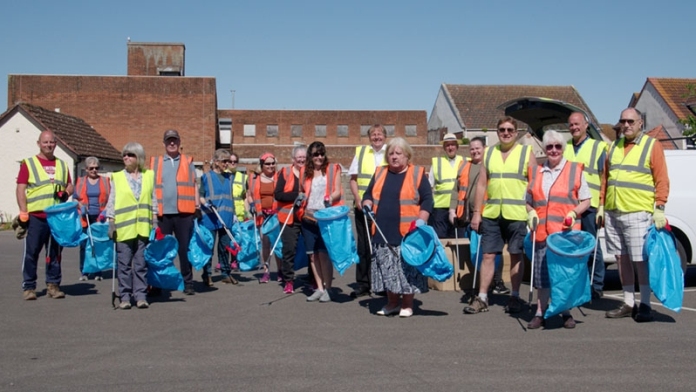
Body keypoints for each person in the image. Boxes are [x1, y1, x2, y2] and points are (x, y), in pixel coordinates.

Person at [464, 116, 536, 314]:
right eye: (502, 130)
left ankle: (514, 296)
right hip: (493, 213)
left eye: (510, 130)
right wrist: (477, 212)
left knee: (516, 255)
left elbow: (535, 183)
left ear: (516, 132)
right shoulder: (489, 153)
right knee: (488, 255)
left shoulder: (526, 152)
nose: (506, 133)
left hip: (517, 214)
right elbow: (481, 184)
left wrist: (532, 211)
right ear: (497, 132)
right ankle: (482, 297)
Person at [603, 108, 669, 323]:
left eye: (631, 121)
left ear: (641, 123)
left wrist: (659, 207)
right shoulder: (613, 146)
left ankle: (646, 305)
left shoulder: (652, 145)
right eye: (623, 120)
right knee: (621, 259)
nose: (626, 124)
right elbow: (606, 179)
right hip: (614, 211)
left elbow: (661, 179)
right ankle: (629, 302)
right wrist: (602, 206)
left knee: (640, 260)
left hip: (637, 211)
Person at [525, 131, 591, 329]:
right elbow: (528, 201)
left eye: (557, 146)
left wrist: (573, 213)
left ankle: (565, 312)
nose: (554, 150)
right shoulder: (536, 171)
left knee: (564, 276)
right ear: (544, 149)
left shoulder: (574, 170)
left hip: (564, 234)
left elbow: (586, 200)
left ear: (563, 148)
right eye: (549, 147)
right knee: (543, 276)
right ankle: (540, 312)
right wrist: (530, 213)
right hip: (542, 233)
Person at [361, 137, 434, 318]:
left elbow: (427, 200)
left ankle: (407, 304)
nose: (394, 157)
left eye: (398, 153)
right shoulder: (379, 173)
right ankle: (392, 302)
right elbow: (368, 194)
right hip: (382, 229)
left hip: (408, 231)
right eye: (391, 153)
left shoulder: (417, 173)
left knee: (406, 270)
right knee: (387, 269)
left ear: (407, 156)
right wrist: (367, 203)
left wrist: (421, 220)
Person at [16, 130, 74, 300]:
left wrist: (66, 192)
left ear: (56, 144)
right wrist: (23, 211)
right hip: (36, 216)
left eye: (52, 142)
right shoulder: (29, 163)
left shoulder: (62, 165)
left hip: (56, 218)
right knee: (32, 252)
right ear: (39, 143)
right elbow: (21, 188)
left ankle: (53, 285)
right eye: (45, 142)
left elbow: (70, 185)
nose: (49, 145)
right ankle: (29, 287)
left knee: (54, 253)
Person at [448, 136, 510, 295]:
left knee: (491, 250)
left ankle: (497, 282)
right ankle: (487, 282)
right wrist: (452, 210)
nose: (475, 151)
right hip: (468, 217)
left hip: (488, 216)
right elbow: (456, 190)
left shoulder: (491, 164)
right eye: (472, 149)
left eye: (478, 148)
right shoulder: (464, 166)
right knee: (476, 252)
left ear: (484, 148)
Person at [151, 129, 201, 296]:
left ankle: (188, 283)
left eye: (174, 140)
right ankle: (158, 284)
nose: (172, 143)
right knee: (162, 251)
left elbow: (194, 185)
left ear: (179, 143)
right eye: (168, 141)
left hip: (184, 213)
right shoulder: (155, 162)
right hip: (162, 214)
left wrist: (196, 206)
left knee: (184, 249)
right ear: (164, 143)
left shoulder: (188, 161)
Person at [564, 112, 608, 299]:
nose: (574, 127)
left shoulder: (598, 147)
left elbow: (605, 178)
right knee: (572, 247)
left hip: (590, 204)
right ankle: (577, 285)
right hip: (570, 204)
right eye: (571, 125)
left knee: (592, 247)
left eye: (577, 124)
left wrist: (602, 207)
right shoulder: (564, 147)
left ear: (586, 125)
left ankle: (596, 285)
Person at [106, 143, 155, 309]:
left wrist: (154, 221)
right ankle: (125, 296)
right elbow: (112, 200)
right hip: (124, 227)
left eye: (130, 155)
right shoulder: (118, 176)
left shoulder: (149, 175)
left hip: (143, 227)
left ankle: (141, 296)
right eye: (124, 155)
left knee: (140, 264)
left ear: (139, 157)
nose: (126, 157)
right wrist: (110, 222)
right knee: (124, 264)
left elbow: (153, 199)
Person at [298, 142, 343, 302]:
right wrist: (300, 197)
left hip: (325, 218)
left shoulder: (332, 169)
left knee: (324, 255)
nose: (319, 157)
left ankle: (328, 288)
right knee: (312, 256)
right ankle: (319, 287)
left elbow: (338, 190)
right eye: (316, 154)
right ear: (310, 156)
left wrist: (330, 197)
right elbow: (302, 191)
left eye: (322, 154)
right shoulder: (304, 171)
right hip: (308, 217)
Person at [348, 124, 387, 298]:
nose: (376, 137)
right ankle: (364, 283)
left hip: (385, 207)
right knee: (364, 246)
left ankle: (384, 283)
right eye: (373, 134)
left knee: (383, 245)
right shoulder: (361, 152)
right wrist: (357, 199)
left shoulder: (391, 151)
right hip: (363, 207)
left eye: (379, 134)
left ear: (385, 137)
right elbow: (353, 179)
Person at [199, 149, 238, 285]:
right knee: (209, 247)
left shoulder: (229, 178)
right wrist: (206, 203)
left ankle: (225, 273)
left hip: (226, 218)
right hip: (210, 217)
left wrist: (234, 215)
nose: (227, 164)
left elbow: (230, 198)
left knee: (224, 247)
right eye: (224, 161)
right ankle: (207, 274)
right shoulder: (206, 177)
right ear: (216, 162)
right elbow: (201, 196)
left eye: (228, 161)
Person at [274, 146, 307, 289]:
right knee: (289, 249)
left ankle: (313, 279)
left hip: (307, 216)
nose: (301, 159)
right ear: (293, 159)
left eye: (304, 157)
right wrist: (297, 196)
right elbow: (278, 194)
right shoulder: (285, 172)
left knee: (311, 249)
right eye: (298, 157)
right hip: (288, 217)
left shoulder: (311, 173)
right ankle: (288, 280)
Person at [74, 156, 111, 281]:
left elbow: (112, 199)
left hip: (99, 217)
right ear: (86, 169)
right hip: (85, 217)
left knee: (98, 244)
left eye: (96, 168)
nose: (94, 170)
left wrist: (106, 211)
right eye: (91, 168)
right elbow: (75, 198)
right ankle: (84, 271)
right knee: (84, 244)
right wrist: (80, 206)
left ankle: (97, 271)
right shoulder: (80, 181)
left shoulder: (105, 181)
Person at [247, 152, 280, 283]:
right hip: (262, 215)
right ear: (262, 165)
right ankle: (266, 271)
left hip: (276, 215)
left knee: (277, 244)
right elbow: (249, 194)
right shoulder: (254, 178)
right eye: (268, 163)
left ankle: (280, 270)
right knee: (265, 244)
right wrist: (251, 205)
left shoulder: (279, 177)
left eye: (273, 163)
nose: (271, 166)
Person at [429, 133, 464, 238]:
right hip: (440, 208)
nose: (450, 147)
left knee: (459, 238)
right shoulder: (436, 162)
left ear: (457, 146)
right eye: (447, 145)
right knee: (440, 238)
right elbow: (430, 186)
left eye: (453, 144)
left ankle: (457, 256)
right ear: (444, 147)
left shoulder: (465, 161)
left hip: (459, 207)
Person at [227, 152, 247, 271]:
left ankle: (234, 260)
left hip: (239, 212)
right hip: (226, 212)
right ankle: (223, 261)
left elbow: (245, 196)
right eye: (230, 161)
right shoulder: (223, 176)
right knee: (225, 239)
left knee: (237, 239)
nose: (232, 163)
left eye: (235, 161)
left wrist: (247, 212)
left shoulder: (242, 177)